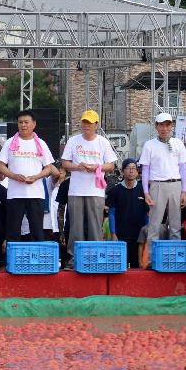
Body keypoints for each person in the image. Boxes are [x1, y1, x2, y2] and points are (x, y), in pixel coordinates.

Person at [61, 110, 117, 268]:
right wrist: (78, 167)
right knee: (75, 227)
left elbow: (111, 165)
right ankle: (73, 259)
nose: (86, 126)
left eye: (90, 123)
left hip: (95, 190)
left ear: (96, 125)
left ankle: (96, 257)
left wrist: (96, 167)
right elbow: (65, 163)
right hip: (76, 190)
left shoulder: (102, 142)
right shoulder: (73, 141)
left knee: (95, 226)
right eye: (84, 122)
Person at [0, 109, 56, 242]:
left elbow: (49, 167)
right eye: (20, 122)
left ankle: (37, 260)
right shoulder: (10, 142)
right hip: (15, 194)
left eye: (26, 122)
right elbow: (0, 166)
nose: (23, 125)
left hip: (36, 194)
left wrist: (36, 177)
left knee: (36, 230)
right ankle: (13, 261)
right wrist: (13, 175)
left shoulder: (41, 143)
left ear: (34, 124)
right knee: (13, 230)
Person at [139, 112, 186, 242]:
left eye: (167, 125)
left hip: (175, 184)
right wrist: (146, 192)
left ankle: (174, 258)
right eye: (161, 125)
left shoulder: (178, 143)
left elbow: (183, 168)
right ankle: (151, 260)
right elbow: (145, 169)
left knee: (175, 224)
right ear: (156, 126)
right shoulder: (149, 145)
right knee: (154, 224)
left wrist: (184, 191)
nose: (164, 128)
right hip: (157, 184)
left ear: (171, 126)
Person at [106, 159, 148, 269]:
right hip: (120, 236)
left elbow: (146, 214)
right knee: (120, 268)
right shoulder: (115, 190)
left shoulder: (143, 190)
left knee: (137, 268)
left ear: (137, 172)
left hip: (138, 237)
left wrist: (147, 234)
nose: (131, 171)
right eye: (128, 168)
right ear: (123, 171)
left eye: (134, 168)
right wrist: (113, 233)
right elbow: (111, 213)